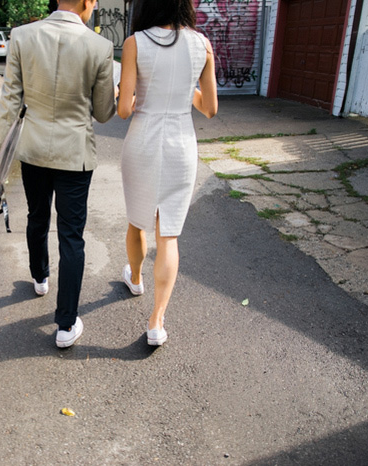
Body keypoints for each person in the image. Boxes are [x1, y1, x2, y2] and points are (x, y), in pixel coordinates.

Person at [0, 0, 116, 348]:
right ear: (88, 2)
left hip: (33, 151)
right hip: (75, 155)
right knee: (72, 236)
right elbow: (103, 113)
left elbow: (9, 104)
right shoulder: (100, 47)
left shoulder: (22, 36)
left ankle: (39, 277)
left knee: (37, 215)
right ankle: (65, 325)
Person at [117, 0, 218, 346]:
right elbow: (211, 108)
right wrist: (182, 89)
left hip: (143, 140)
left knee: (137, 220)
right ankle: (157, 321)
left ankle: (135, 277)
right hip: (180, 144)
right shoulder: (202, 44)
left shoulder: (135, 43)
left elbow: (124, 109)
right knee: (168, 233)